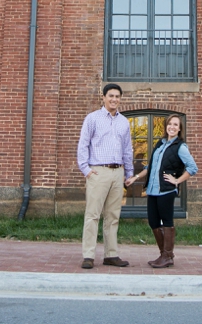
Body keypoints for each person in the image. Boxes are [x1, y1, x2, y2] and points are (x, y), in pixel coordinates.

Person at [125, 113, 197, 268]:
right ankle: (164, 255)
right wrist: (135, 178)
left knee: (167, 222)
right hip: (152, 190)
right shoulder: (160, 144)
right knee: (153, 222)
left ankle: (167, 255)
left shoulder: (181, 147)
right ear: (166, 127)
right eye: (170, 124)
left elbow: (192, 168)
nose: (172, 127)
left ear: (179, 129)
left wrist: (177, 181)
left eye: (176, 125)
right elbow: (150, 167)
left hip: (166, 191)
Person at [76, 83, 133, 270]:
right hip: (98, 172)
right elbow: (83, 145)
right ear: (103, 97)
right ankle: (88, 255)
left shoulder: (124, 122)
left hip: (118, 173)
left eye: (117, 96)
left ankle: (111, 254)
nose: (114, 99)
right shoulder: (92, 119)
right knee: (92, 215)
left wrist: (129, 173)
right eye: (111, 96)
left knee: (113, 216)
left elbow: (128, 150)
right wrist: (86, 170)